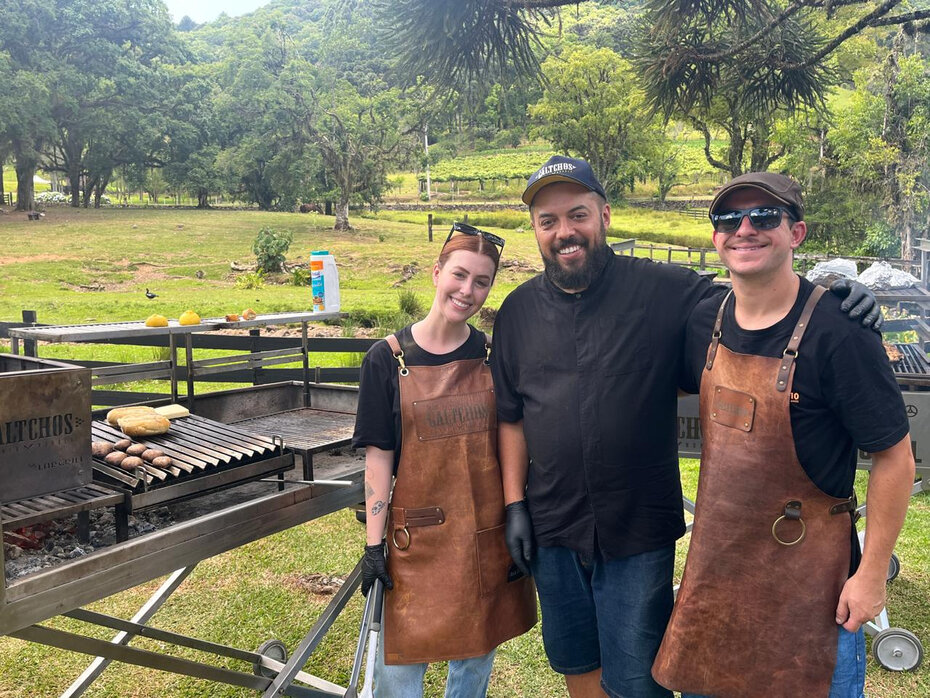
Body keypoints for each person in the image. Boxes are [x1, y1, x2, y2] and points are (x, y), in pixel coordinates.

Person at [490, 156, 883, 698]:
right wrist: (514, 506)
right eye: (548, 221)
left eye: (577, 215)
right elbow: (511, 416)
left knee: (637, 676)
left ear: (604, 215)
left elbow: (758, 295)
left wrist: (830, 293)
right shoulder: (516, 312)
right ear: (535, 229)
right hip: (553, 522)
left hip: (637, 528)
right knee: (576, 660)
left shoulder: (669, 292)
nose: (565, 232)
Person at [652, 172, 916, 698]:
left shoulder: (839, 331)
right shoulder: (706, 317)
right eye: (729, 219)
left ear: (796, 234)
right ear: (715, 238)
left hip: (813, 586)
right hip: (718, 576)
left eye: (764, 217)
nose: (745, 229)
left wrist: (867, 578)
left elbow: (896, 459)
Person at [353, 222, 536, 698]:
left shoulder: (494, 356)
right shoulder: (387, 359)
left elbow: (511, 436)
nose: (467, 291)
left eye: (482, 282)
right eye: (459, 275)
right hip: (416, 539)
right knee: (399, 669)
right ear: (437, 273)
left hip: (484, 534)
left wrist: (518, 512)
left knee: (477, 653)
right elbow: (378, 458)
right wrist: (375, 548)